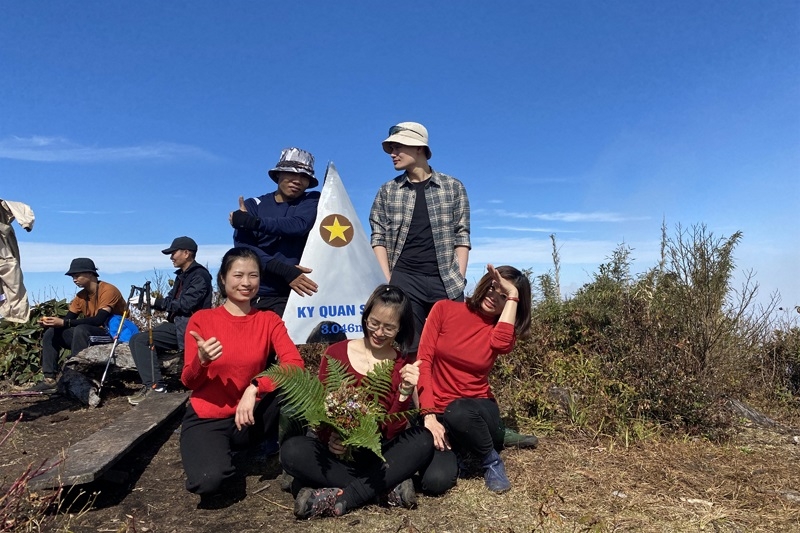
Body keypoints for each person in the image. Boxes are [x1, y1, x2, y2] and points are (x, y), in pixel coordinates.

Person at [281, 285, 434, 519]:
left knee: (422, 439)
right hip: (339, 455)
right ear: (365, 316)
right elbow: (320, 410)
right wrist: (330, 438)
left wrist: (404, 393)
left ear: (400, 328)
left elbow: (392, 431)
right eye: (374, 323)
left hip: (379, 452)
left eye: (389, 327)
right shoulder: (336, 353)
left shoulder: (402, 364)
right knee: (292, 451)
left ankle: (343, 496)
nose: (379, 332)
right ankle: (385, 489)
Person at [179, 247, 304, 497]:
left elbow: (294, 363)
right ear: (223, 278)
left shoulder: (268, 320)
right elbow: (188, 381)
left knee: (296, 389)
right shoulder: (202, 320)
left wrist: (256, 386)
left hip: (250, 415)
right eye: (238, 275)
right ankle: (219, 449)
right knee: (209, 483)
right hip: (208, 416)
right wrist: (200, 361)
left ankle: (292, 457)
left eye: (253, 275)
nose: (246, 283)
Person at [417, 265, 532, 495]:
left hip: (477, 409)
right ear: (485, 283)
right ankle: (469, 444)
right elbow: (424, 362)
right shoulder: (444, 309)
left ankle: (492, 461)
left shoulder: (502, 329)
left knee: (458, 411)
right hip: (441, 411)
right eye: (493, 288)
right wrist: (428, 414)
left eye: (503, 296)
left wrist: (514, 295)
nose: (493, 298)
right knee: (434, 482)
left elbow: (500, 344)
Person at [370, 122, 471, 355]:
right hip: (404, 279)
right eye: (391, 148)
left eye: (398, 147)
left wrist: (460, 276)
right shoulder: (387, 191)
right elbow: (379, 238)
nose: (392, 154)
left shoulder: (453, 187)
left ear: (419, 148)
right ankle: (418, 393)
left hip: (446, 279)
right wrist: (389, 280)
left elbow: (462, 235)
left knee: (452, 348)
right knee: (411, 350)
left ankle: (448, 393)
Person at [230, 147, 321, 317]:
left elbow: (299, 225)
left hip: (300, 295)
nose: (298, 180)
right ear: (278, 174)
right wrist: (285, 271)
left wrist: (253, 222)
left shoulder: (312, 199)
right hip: (258, 295)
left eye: (304, 177)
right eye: (292, 173)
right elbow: (245, 249)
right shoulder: (252, 205)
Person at [127, 236, 213, 405]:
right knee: (136, 339)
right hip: (179, 326)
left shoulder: (200, 276)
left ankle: (156, 388)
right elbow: (171, 303)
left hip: (192, 328)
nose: (171, 257)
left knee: (142, 340)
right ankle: (152, 385)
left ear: (187, 253)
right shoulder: (183, 276)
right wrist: (148, 303)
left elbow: (186, 305)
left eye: (174, 253)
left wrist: (154, 301)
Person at [29, 258, 125, 392]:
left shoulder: (108, 290)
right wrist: (51, 323)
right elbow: (68, 319)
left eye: (77, 275)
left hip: (111, 335)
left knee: (81, 329)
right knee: (52, 332)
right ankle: (49, 379)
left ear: (90, 274)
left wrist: (64, 322)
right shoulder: (80, 296)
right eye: (72, 276)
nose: (74, 279)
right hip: (88, 334)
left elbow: (99, 320)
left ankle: (76, 375)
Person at [0, 199, 35, 324]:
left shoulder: (3, 206)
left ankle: (18, 320)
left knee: (14, 287)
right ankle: (15, 319)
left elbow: (20, 207)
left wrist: (26, 222)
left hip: (4, 256)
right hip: (5, 258)